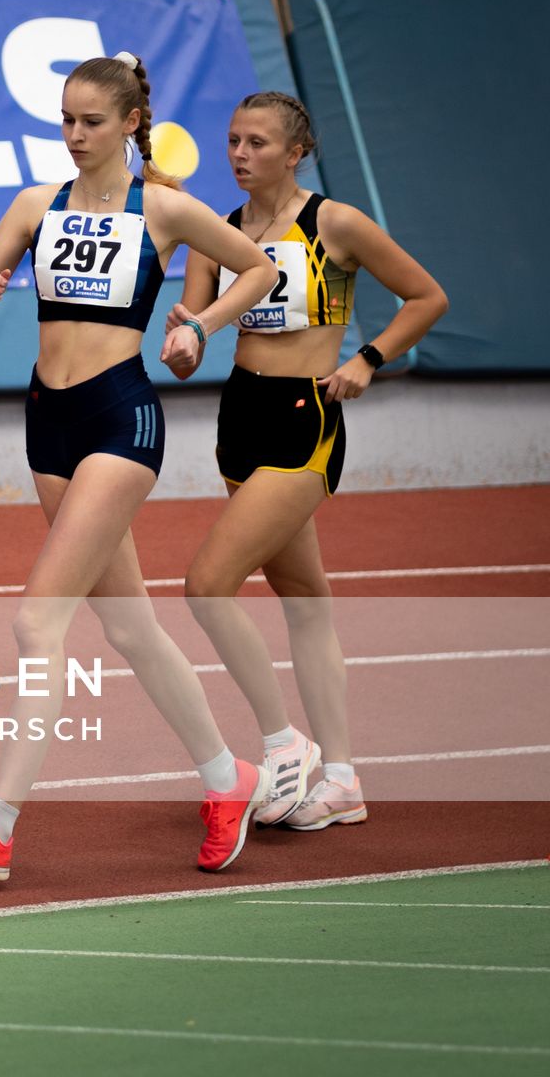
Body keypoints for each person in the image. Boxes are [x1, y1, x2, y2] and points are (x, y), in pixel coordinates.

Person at [0, 53, 280, 878]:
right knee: (127, 624)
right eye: (66, 121)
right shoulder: (34, 205)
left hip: (121, 416)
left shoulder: (167, 210)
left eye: (92, 122)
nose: (75, 137)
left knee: (36, 623)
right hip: (49, 422)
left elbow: (258, 267)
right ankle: (229, 779)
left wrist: (200, 325)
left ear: (129, 124)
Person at [170, 91, 448, 831]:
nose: (238, 154)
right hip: (240, 417)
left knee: (206, 585)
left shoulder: (335, 223)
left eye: (257, 142)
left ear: (296, 153)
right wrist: (187, 338)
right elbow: (192, 346)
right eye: (232, 140)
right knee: (305, 598)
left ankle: (283, 745)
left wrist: (369, 357)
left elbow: (426, 296)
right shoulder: (217, 233)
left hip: (306, 416)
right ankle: (345, 781)